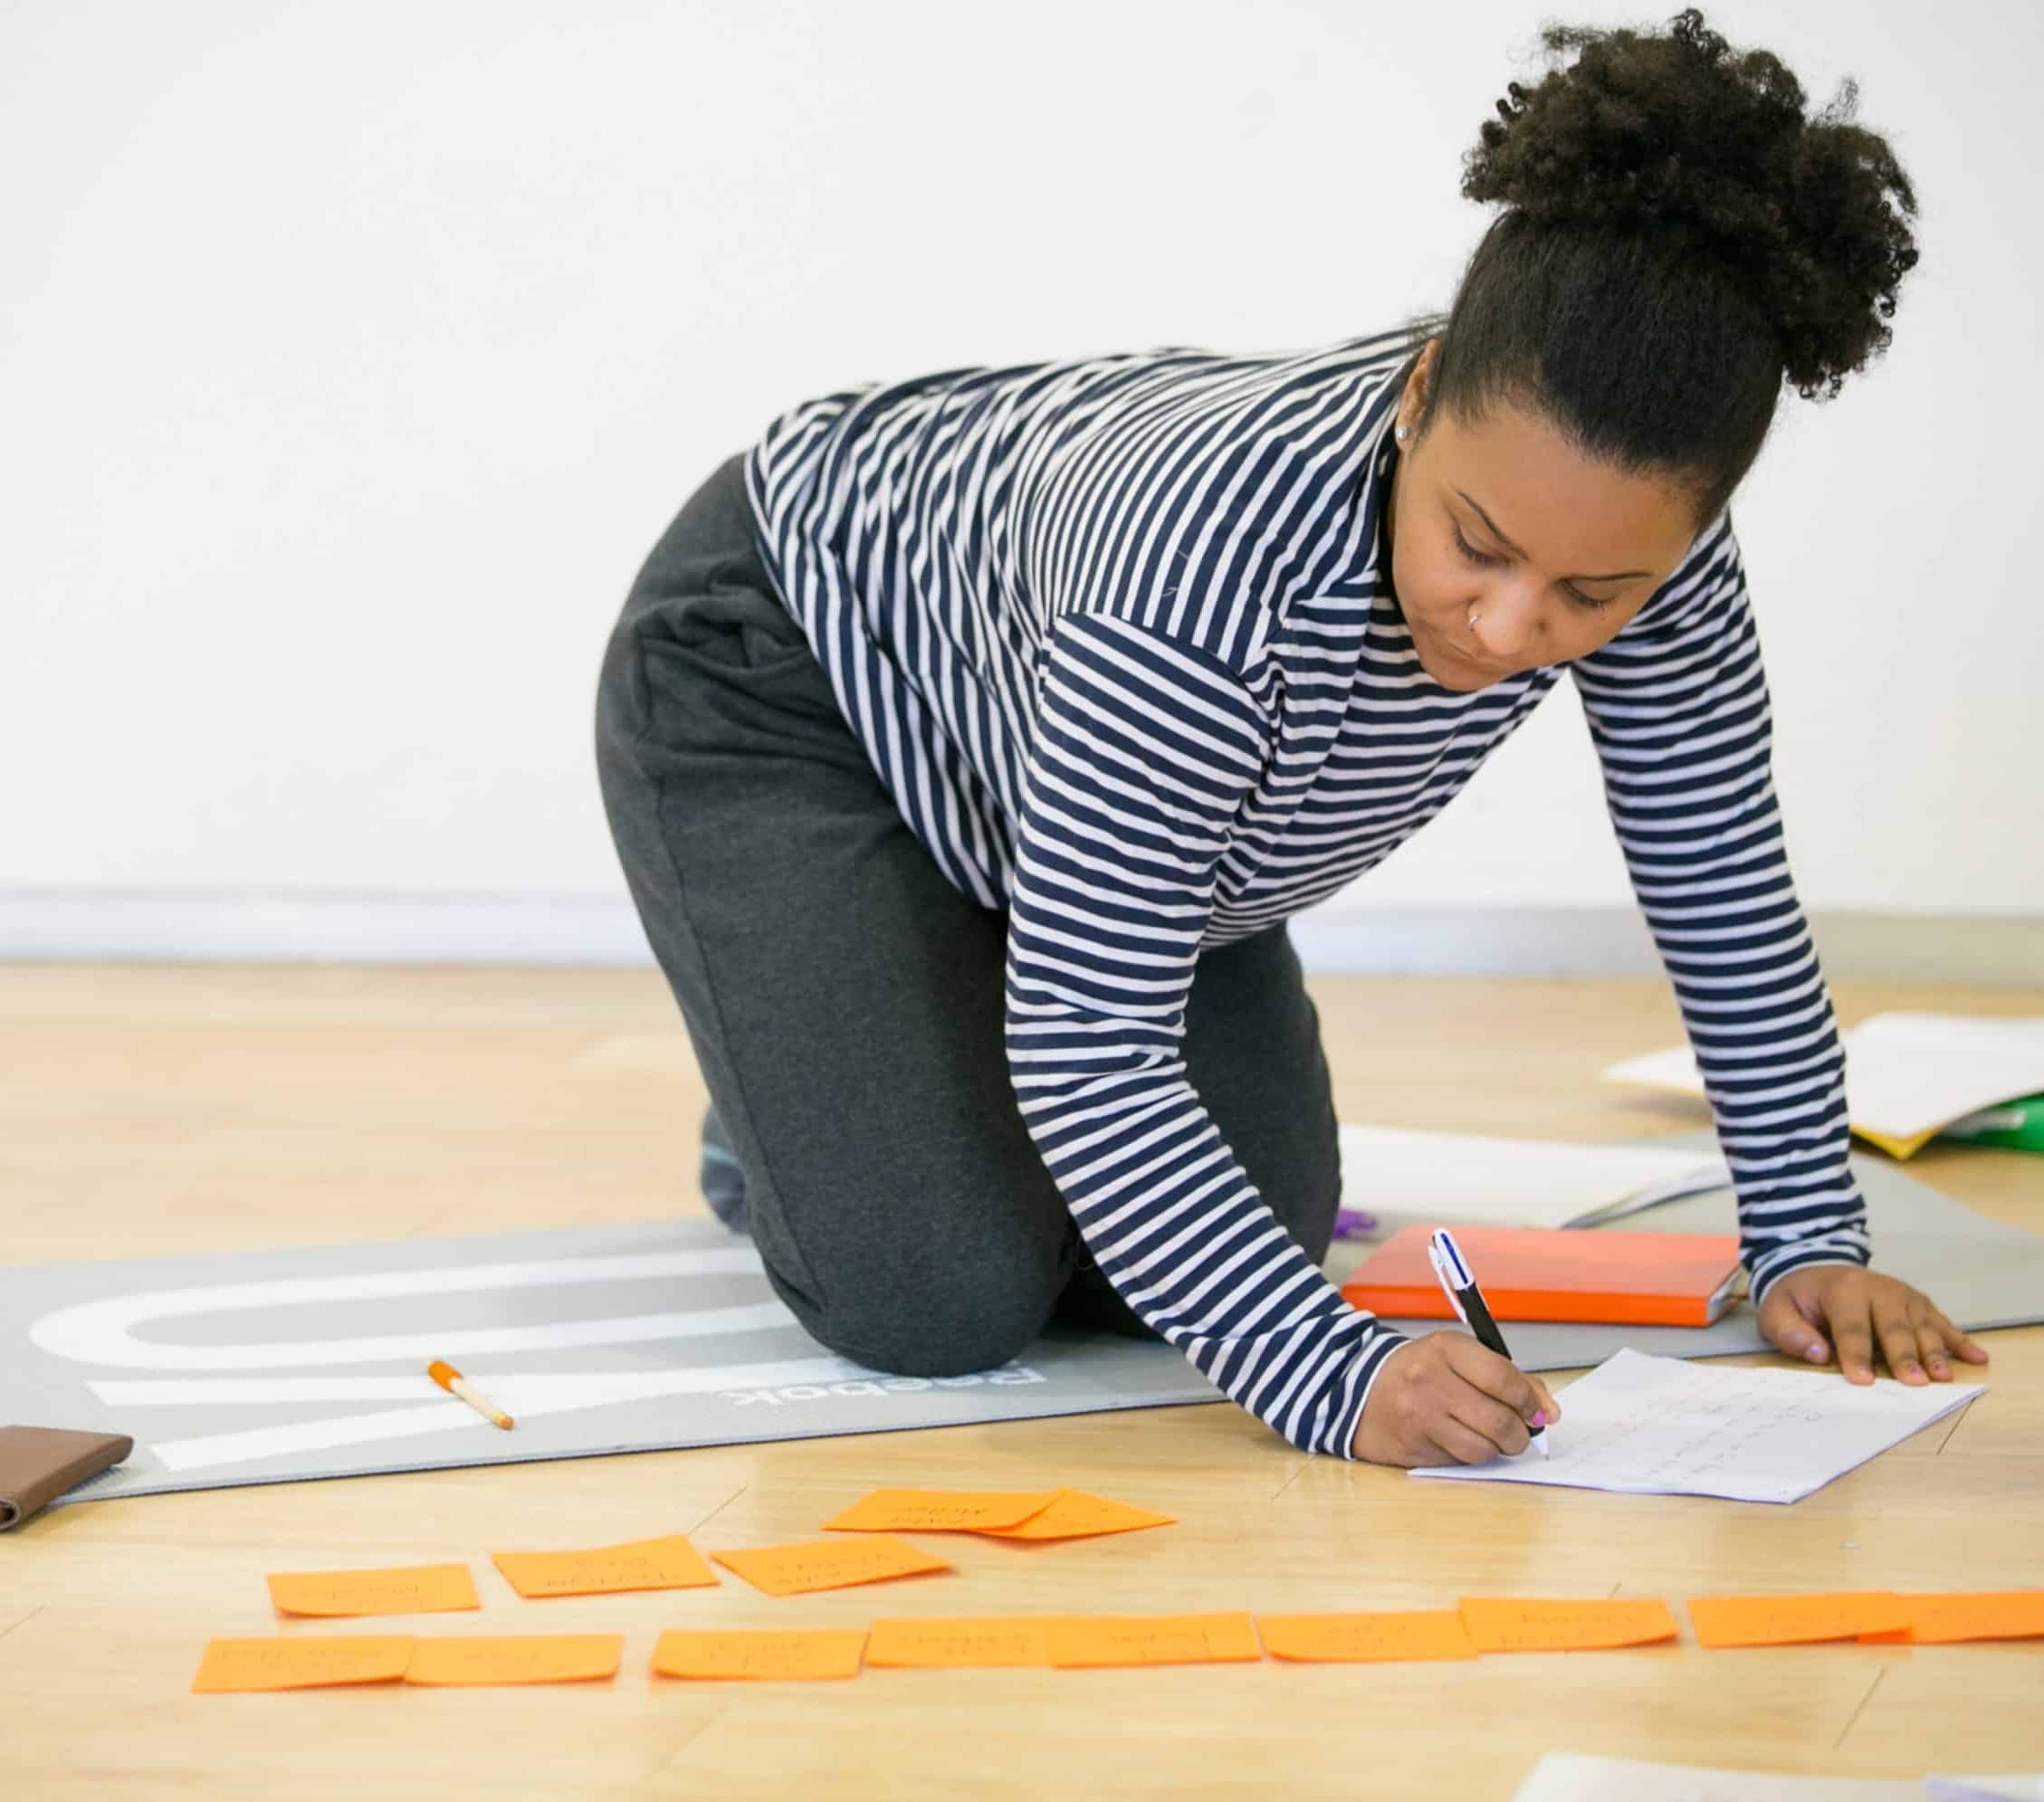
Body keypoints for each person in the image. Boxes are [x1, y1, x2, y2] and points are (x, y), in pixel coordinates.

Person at [592, 9, 1988, 1470]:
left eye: (1593, 595)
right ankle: (788, 1063)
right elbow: (1090, 1044)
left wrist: (1808, 1236)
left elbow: (1720, 885)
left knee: (1212, 1252)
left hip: (1075, 774)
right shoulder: (1202, 574)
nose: (1512, 625)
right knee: (938, 1300)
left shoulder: (1661, 563)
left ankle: (895, 1017)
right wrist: (1331, 1378)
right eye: (1478, 544)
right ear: (1420, 393)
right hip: (792, 672)